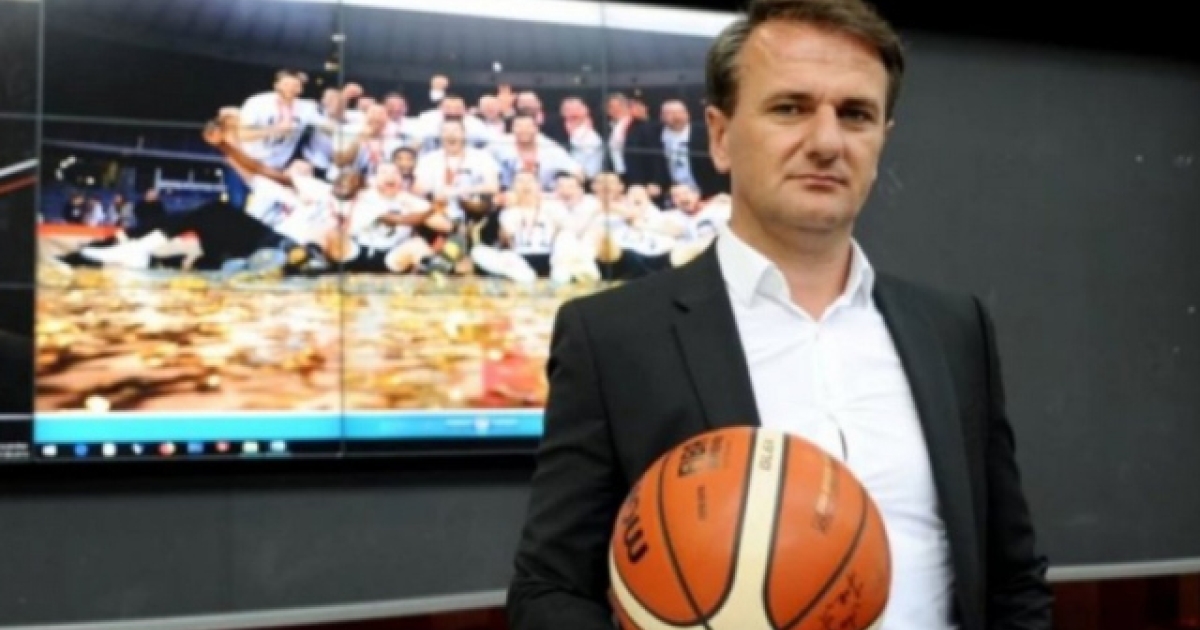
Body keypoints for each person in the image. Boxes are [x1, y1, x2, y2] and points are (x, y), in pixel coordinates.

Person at [506, 1, 1053, 629]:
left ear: (881, 140)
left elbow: (1013, 579)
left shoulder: (955, 331)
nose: (826, 142)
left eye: (856, 114)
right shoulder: (611, 340)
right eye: (790, 108)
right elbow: (547, 590)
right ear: (720, 136)